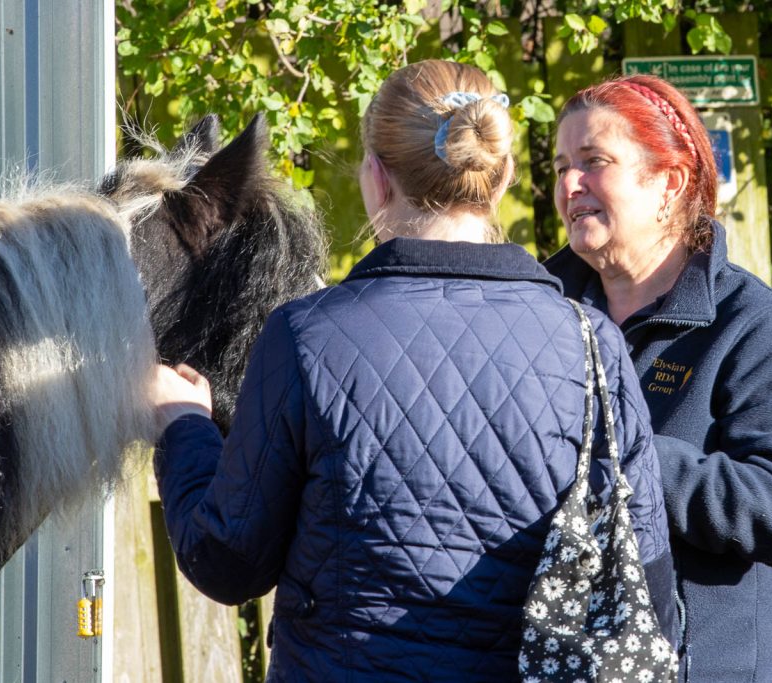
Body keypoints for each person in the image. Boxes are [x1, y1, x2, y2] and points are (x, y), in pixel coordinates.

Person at [151, 60, 675, 682]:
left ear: (376, 176)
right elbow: (646, 586)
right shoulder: (593, 348)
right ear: (502, 174)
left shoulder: (304, 336)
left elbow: (226, 560)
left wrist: (184, 426)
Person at [543, 73, 772, 683]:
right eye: (562, 165)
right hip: (555, 661)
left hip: (697, 666)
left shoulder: (750, 323)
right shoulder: (539, 314)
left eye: (594, 162)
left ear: (669, 183)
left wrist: (631, 460)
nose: (571, 185)